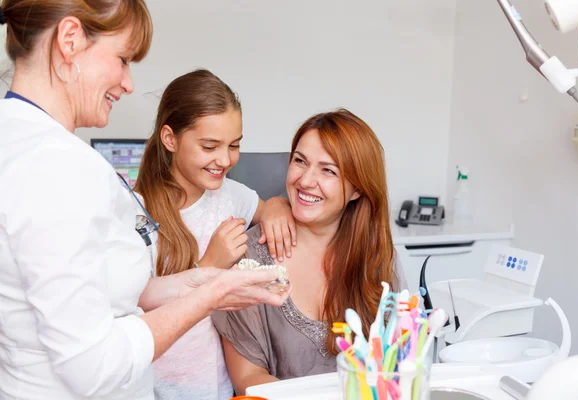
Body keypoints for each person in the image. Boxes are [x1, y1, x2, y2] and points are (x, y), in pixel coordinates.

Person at [0, 2, 288, 399]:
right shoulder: (56, 164)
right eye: (122, 59)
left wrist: (206, 280)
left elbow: (107, 292)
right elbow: (92, 365)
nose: (129, 83)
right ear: (69, 40)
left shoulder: (20, 141)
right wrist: (210, 297)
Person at [212, 109, 408, 395]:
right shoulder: (249, 258)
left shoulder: (377, 256)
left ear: (357, 189)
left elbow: (394, 361)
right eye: (299, 161)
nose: (305, 181)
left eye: (328, 170)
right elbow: (248, 377)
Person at [133, 69, 296, 400]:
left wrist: (278, 204)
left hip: (219, 387)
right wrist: (210, 264)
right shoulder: (138, 213)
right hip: (156, 389)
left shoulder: (230, 195)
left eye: (234, 145)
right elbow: (136, 304)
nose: (224, 160)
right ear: (170, 138)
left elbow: (269, 209)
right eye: (210, 146)